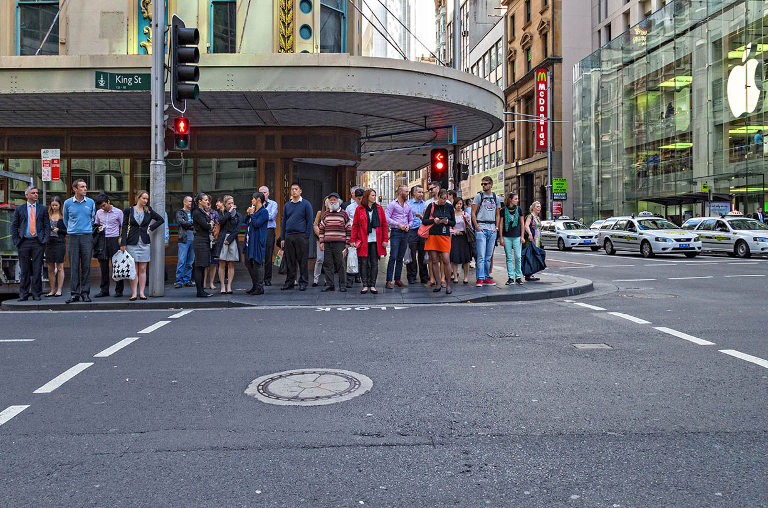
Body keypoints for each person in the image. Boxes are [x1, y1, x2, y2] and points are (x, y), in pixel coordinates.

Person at [120, 190, 164, 301]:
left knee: (143, 268)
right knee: (133, 268)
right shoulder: (129, 211)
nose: (145, 201)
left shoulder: (149, 211)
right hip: (132, 242)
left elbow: (160, 219)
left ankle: (142, 293)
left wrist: (151, 228)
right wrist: (123, 243)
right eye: (143, 198)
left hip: (144, 242)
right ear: (138, 198)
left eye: (147, 199)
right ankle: (134, 293)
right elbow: (124, 227)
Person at [11, 185, 49, 301]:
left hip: (38, 242)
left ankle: (37, 294)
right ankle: (23, 294)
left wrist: (44, 240)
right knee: (25, 270)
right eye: (33, 193)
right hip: (24, 242)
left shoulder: (42, 209)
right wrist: (17, 241)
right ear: (27, 195)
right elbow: (14, 226)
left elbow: (46, 226)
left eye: (37, 193)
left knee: (37, 269)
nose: (36, 195)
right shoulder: (19, 209)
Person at [62, 178, 96, 303]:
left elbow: (92, 219)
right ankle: (74, 293)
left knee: (86, 266)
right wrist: (73, 229)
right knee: (74, 266)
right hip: (73, 237)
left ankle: (85, 293)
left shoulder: (91, 202)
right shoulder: (68, 203)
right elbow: (66, 220)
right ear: (75, 189)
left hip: (87, 236)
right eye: (82, 187)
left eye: (85, 186)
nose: (85, 189)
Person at [351, 189, 388, 294]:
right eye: (372, 195)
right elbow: (355, 225)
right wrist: (352, 240)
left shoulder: (379, 209)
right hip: (364, 240)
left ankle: (372, 285)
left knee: (374, 263)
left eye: (375, 195)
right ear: (367, 197)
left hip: (376, 240)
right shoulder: (360, 209)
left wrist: (385, 239)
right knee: (363, 263)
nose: (374, 197)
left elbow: (384, 225)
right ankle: (365, 285)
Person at [280, 183, 313, 291]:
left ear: (300, 191)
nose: (294, 191)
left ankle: (303, 282)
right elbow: (283, 221)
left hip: (301, 236)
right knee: (290, 260)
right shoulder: (287, 205)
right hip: (289, 236)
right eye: (292, 189)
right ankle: (289, 282)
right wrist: (283, 237)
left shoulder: (306, 204)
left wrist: (306, 236)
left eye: (296, 189)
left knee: (302, 260)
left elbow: (309, 221)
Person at [423, 189, 455, 294]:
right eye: (442, 198)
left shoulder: (449, 206)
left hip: (444, 235)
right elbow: (424, 220)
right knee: (434, 260)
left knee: (446, 259)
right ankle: (437, 283)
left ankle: (448, 284)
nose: (444, 201)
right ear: (439, 197)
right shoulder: (431, 206)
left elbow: (453, 222)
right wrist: (434, 220)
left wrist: (447, 222)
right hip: (432, 235)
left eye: (446, 199)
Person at [318, 193, 351, 292]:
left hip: (340, 243)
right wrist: (321, 242)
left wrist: (347, 243)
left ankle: (342, 285)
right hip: (328, 243)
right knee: (328, 264)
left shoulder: (344, 213)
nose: (332, 201)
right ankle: (330, 284)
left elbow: (348, 228)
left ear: (339, 201)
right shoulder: (325, 214)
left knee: (340, 264)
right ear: (328, 202)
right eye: (331, 200)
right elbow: (321, 229)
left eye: (334, 200)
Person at [471, 176, 500, 287]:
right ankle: (480, 278)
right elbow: (473, 212)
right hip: (482, 227)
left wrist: (496, 228)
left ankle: (486, 277)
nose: (483, 186)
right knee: (481, 256)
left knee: (488, 256)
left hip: (492, 228)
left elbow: (498, 214)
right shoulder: (479, 196)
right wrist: (477, 227)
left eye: (486, 184)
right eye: (482, 184)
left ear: (491, 185)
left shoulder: (495, 197)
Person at [94, 193, 124, 298]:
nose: (103, 208)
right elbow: (96, 224)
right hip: (102, 239)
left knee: (117, 265)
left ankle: (119, 290)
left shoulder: (118, 212)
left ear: (108, 202)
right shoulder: (99, 213)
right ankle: (104, 290)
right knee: (103, 266)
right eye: (101, 206)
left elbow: (123, 227)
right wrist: (98, 228)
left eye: (104, 205)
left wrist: (123, 242)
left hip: (114, 239)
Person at [385, 185, 413, 289]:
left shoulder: (408, 206)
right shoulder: (392, 204)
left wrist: (408, 226)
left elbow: (411, 219)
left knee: (400, 258)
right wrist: (398, 224)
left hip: (405, 233)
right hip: (396, 232)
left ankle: (397, 279)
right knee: (393, 256)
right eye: (406, 191)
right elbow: (386, 218)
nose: (407, 193)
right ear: (400, 192)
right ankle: (388, 280)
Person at [243, 192, 269, 295]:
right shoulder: (253, 210)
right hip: (249, 241)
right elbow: (246, 221)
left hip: (257, 241)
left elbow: (257, 224)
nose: (251, 200)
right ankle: (254, 285)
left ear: (258, 199)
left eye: (253, 198)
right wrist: (248, 213)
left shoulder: (264, 212)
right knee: (248, 263)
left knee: (258, 262)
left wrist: (252, 214)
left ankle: (260, 287)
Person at [216, 195, 241, 295]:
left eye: (232, 203)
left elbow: (238, 229)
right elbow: (221, 222)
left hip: (232, 239)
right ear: (225, 204)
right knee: (222, 263)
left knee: (231, 263)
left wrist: (230, 239)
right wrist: (229, 212)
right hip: (222, 238)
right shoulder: (221, 213)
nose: (231, 205)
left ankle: (229, 286)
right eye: (229, 203)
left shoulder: (238, 215)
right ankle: (222, 286)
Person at [499, 192, 524, 286]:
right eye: (515, 199)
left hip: (517, 236)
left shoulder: (519, 209)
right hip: (506, 237)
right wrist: (501, 238)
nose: (517, 200)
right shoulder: (503, 210)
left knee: (518, 257)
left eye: (517, 199)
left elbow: (522, 223)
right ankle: (510, 277)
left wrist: (522, 236)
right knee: (509, 258)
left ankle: (518, 277)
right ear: (510, 200)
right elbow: (501, 224)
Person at [406, 185, 428, 286]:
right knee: (412, 254)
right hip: (412, 231)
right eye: (419, 192)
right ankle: (411, 276)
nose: (421, 194)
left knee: (422, 255)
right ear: (414, 193)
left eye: (422, 192)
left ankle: (424, 276)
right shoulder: (408, 204)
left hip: (423, 230)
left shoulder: (425, 204)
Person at [44, 196, 66, 297]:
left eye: (56, 205)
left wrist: (59, 230)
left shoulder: (63, 216)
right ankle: (52, 290)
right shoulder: (47, 215)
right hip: (49, 242)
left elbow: (67, 230)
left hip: (59, 242)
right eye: (52, 205)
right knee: (50, 267)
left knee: (60, 267)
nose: (54, 207)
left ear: (60, 205)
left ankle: (59, 289)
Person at [345, 187, 365, 287]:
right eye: (359, 198)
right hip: (353, 234)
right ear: (355, 198)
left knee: (361, 257)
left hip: (363, 235)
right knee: (351, 257)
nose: (360, 200)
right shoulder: (349, 208)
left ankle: (358, 276)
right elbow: (346, 221)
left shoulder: (366, 207)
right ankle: (349, 279)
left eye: (362, 198)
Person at [258, 186, 278, 286]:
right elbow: (253, 216)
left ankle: (267, 279)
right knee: (258, 255)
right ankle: (258, 278)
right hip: (258, 231)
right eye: (260, 193)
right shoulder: (255, 205)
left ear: (268, 193)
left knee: (268, 256)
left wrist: (260, 215)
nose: (262, 194)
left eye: (264, 192)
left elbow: (271, 216)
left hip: (269, 231)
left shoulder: (273, 204)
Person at [174, 195, 195, 289]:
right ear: (185, 202)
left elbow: (193, 224)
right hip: (184, 239)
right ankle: (179, 281)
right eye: (189, 201)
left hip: (194, 239)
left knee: (190, 261)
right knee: (182, 260)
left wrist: (188, 223)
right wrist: (192, 223)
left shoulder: (194, 212)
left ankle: (187, 280)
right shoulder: (180, 212)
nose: (191, 203)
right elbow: (181, 223)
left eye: (192, 201)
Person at [450, 198, 472, 284]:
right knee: (455, 258)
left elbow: (469, 226)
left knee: (466, 258)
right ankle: (455, 276)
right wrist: (455, 232)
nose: (459, 205)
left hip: (464, 236)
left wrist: (466, 220)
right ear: (454, 205)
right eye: (458, 204)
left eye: (461, 204)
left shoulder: (465, 214)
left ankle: (466, 277)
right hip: (455, 237)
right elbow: (449, 227)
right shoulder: (452, 215)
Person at [312, 195, 330, 287]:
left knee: (328, 260)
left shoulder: (333, 213)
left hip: (331, 240)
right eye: (326, 202)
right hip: (320, 239)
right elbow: (315, 225)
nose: (327, 204)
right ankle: (316, 279)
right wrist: (320, 235)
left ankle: (327, 280)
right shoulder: (320, 213)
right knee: (319, 259)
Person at [524, 200, 543, 282]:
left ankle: (531, 273)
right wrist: (530, 234)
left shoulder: (537, 217)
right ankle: (528, 274)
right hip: (532, 239)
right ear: (533, 208)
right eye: (537, 207)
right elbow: (526, 225)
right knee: (530, 255)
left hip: (537, 239)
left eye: (540, 206)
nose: (539, 208)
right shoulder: (530, 216)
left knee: (534, 256)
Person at [206, 198, 222, 290]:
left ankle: (211, 283)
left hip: (214, 240)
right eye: (206, 203)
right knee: (204, 263)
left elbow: (217, 225)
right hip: (204, 240)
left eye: (209, 203)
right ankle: (204, 282)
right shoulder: (200, 212)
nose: (208, 205)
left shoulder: (215, 213)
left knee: (213, 263)